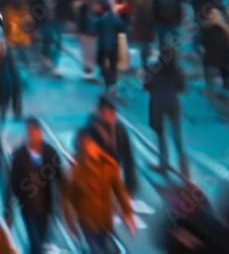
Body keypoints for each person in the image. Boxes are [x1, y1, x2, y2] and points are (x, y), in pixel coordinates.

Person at [62, 129, 137, 252]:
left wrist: (128, 214)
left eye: (91, 143)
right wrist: (70, 224)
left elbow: (120, 192)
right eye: (84, 144)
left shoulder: (109, 165)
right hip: (87, 224)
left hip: (105, 222)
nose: (88, 148)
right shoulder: (73, 170)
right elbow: (67, 200)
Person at [7, 118, 63, 254]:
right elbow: (12, 184)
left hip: (46, 207)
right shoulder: (20, 156)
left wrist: (65, 204)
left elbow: (60, 177)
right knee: (35, 240)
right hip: (28, 207)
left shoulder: (49, 153)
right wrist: (8, 212)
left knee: (41, 236)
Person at [145, 48, 189, 177]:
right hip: (173, 103)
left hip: (157, 103)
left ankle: (163, 165)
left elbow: (147, 85)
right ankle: (185, 171)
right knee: (178, 137)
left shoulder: (153, 68)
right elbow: (182, 88)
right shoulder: (177, 70)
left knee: (160, 135)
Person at [87, 96, 138, 194]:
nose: (114, 116)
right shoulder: (92, 129)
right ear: (102, 112)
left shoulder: (120, 130)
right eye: (110, 112)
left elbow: (128, 158)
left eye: (114, 113)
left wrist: (130, 186)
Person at [96, 4, 127, 94]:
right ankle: (113, 82)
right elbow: (121, 30)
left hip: (102, 45)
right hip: (114, 45)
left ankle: (107, 81)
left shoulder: (101, 19)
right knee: (113, 65)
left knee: (101, 63)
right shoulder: (117, 19)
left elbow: (94, 28)